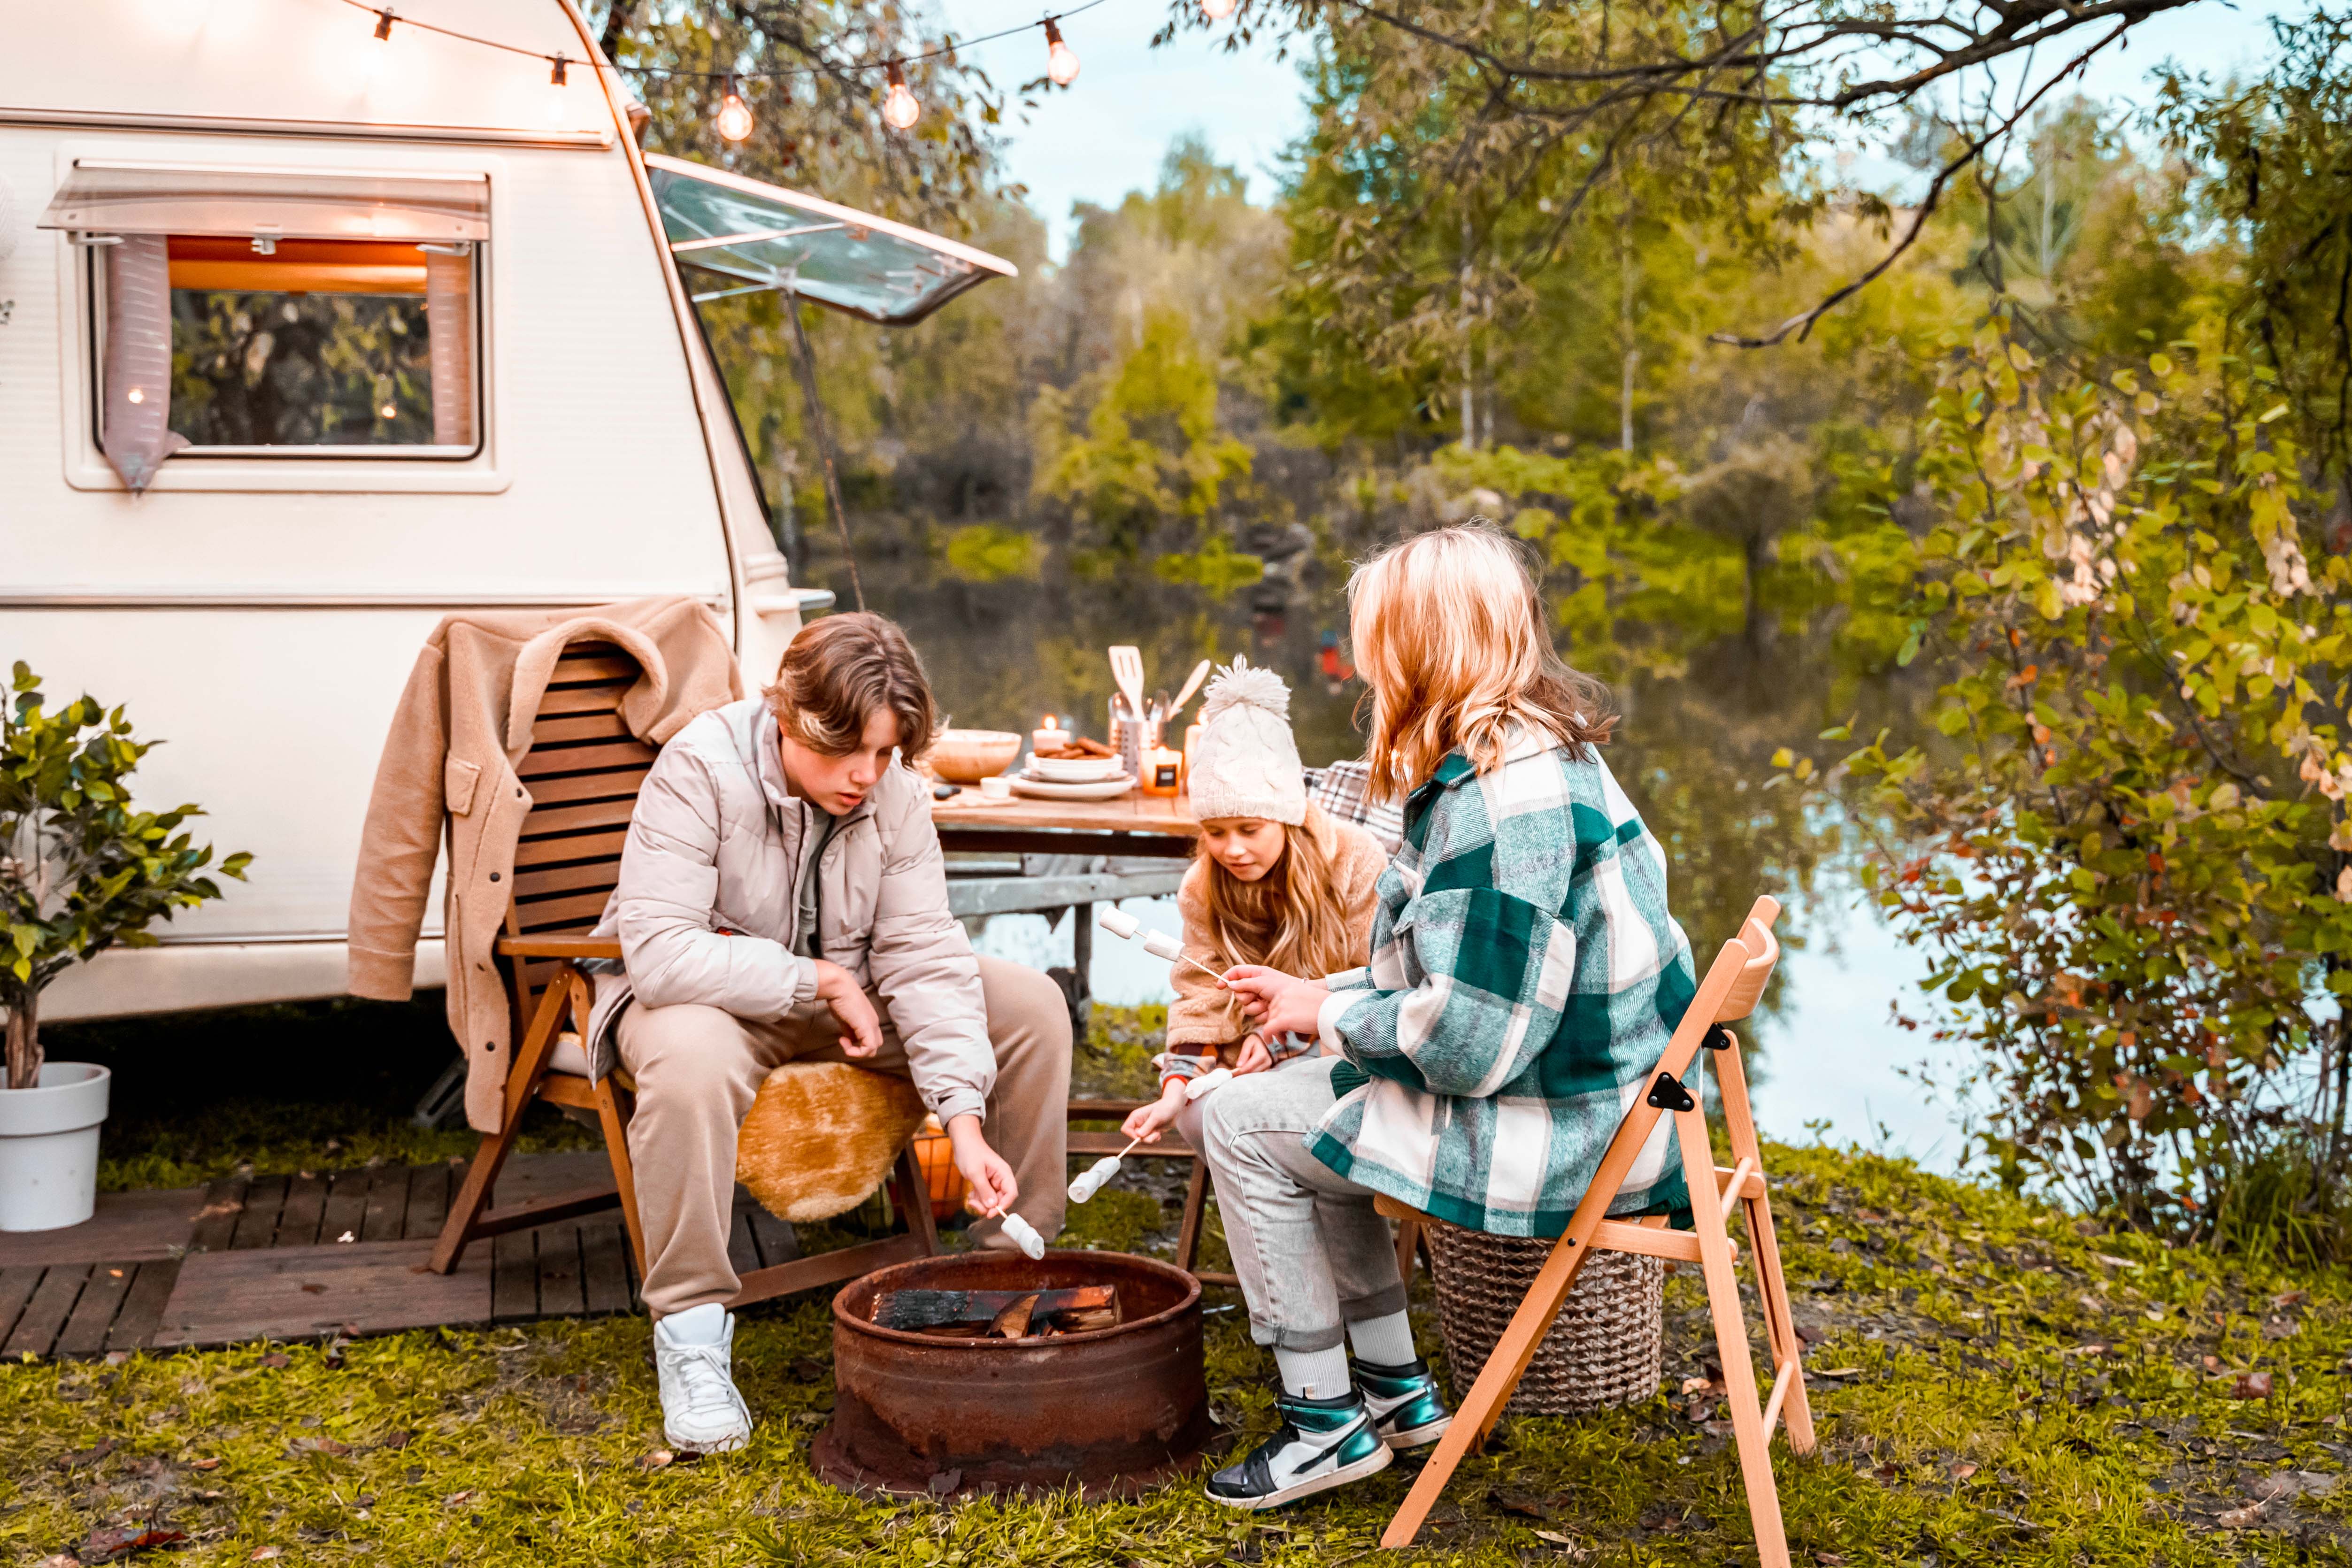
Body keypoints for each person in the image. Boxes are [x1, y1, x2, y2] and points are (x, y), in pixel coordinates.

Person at [1207, 523, 1698, 1510]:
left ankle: (1324, 1423)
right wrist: (1327, 1005)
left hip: (1571, 1130)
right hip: (1611, 1095)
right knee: (1307, 1101)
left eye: (1376, 639)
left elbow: (1469, 1046)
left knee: (1239, 1121)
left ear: (1423, 649)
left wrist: (1326, 1011)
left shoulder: (1502, 804)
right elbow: (1479, 997)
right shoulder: (1536, 753)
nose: (1364, 663)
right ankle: (1395, 1392)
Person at [579, 613, 1072, 1453]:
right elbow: (659, 952)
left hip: (856, 997)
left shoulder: (896, 793)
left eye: (886, 754)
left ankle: (1004, 1282)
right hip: (715, 1002)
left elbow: (921, 954)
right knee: (689, 1064)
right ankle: (692, 1335)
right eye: (850, 752)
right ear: (788, 716)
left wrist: (962, 1122)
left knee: (1030, 1008)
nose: (867, 775)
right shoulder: (698, 767)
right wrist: (818, 979)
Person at [1119, 656, 1385, 1155]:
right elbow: (1201, 992)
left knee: (1260, 1112)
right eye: (1215, 833)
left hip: (1340, 1045)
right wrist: (1174, 1089)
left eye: (1249, 830)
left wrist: (1280, 1039)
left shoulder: (1354, 858)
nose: (1233, 849)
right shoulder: (1204, 884)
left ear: (1284, 817)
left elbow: (1374, 979)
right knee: (1199, 1116)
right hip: (1241, 1048)